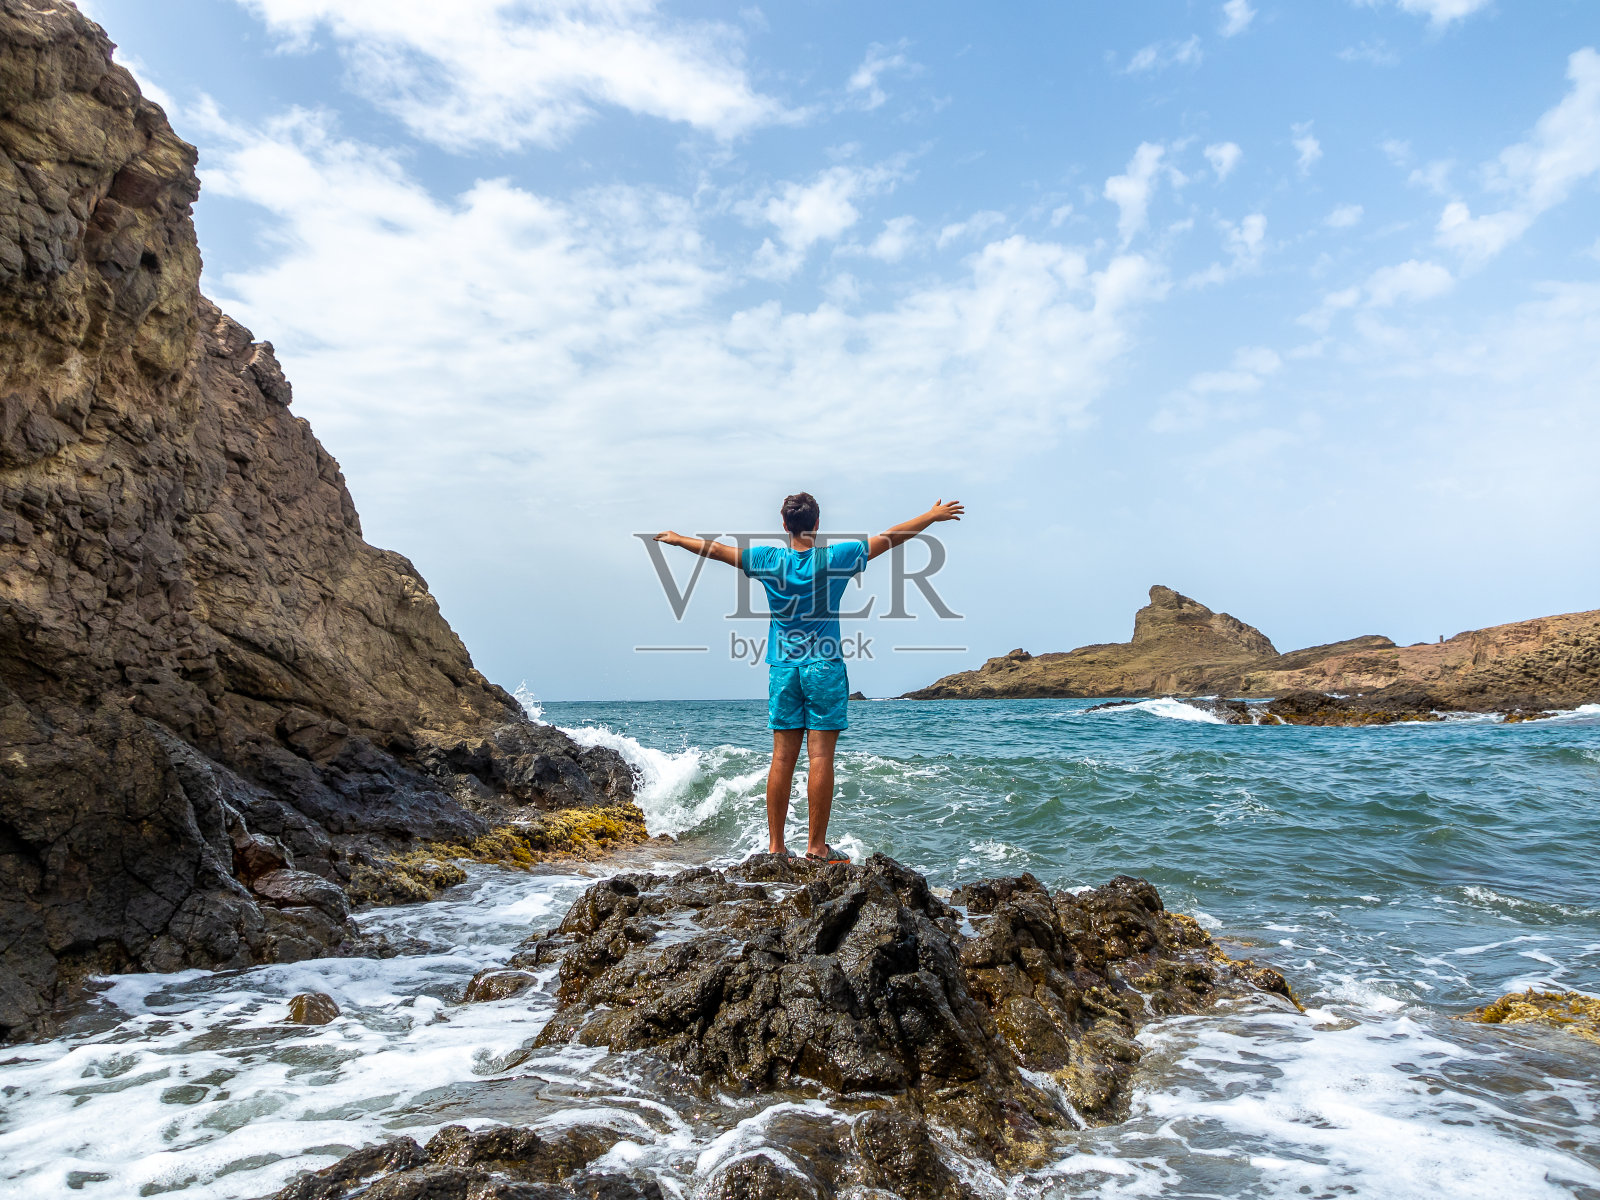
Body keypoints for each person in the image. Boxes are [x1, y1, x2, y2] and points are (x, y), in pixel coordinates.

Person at [655, 493, 963, 863]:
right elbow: (892, 537)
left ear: (784, 525)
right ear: (817, 524)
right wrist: (930, 516)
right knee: (820, 759)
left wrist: (677, 538)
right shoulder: (836, 557)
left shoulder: (767, 559)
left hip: (784, 669)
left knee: (782, 759)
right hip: (824, 667)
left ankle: (775, 848)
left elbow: (718, 551)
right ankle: (816, 848)